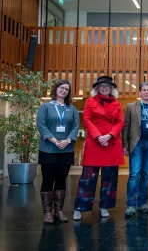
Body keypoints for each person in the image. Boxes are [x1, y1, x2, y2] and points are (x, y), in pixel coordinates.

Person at [73, 76, 124, 221]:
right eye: (101, 86)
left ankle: (104, 207)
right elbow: (87, 120)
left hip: (111, 143)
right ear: (97, 88)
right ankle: (80, 207)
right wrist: (98, 136)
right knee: (88, 178)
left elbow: (120, 122)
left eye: (107, 86)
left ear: (111, 89)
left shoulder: (117, 104)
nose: (104, 88)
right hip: (95, 143)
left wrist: (109, 136)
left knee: (110, 179)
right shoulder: (90, 101)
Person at [36, 80, 79, 223]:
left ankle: (58, 211)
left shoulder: (71, 109)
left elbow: (75, 127)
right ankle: (48, 213)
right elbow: (41, 126)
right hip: (48, 149)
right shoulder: (45, 107)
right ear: (55, 89)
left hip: (66, 150)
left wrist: (67, 141)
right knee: (48, 179)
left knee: (61, 179)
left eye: (67, 89)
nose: (64, 91)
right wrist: (54, 140)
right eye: (61, 88)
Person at [122, 82, 148, 217]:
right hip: (137, 144)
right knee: (134, 174)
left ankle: (142, 203)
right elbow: (126, 126)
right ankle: (130, 205)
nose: (146, 92)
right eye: (144, 90)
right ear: (139, 93)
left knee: (146, 175)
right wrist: (125, 145)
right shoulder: (131, 107)